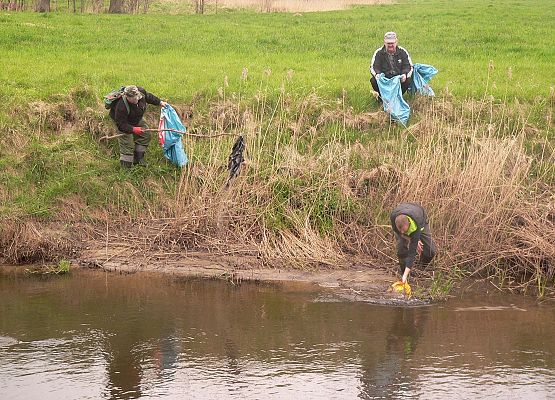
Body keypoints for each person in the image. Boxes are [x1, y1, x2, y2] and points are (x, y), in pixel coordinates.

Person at [110, 85, 168, 168]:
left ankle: (138, 159)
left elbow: (149, 97)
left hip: (136, 118)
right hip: (124, 122)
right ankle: (126, 168)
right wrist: (133, 129)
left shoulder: (141, 93)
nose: (137, 100)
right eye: (134, 99)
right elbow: (121, 125)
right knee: (127, 144)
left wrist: (160, 102)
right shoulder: (121, 106)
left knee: (146, 134)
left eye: (137, 97)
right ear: (127, 97)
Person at [390, 202, 436, 283]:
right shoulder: (394, 217)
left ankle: (420, 268)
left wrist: (415, 239)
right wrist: (409, 238)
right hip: (405, 211)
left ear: (409, 223)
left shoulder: (417, 221)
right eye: (401, 231)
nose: (403, 232)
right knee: (401, 249)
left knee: (430, 251)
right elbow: (400, 233)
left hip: (420, 222)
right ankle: (405, 273)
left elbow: (412, 253)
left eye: (405, 231)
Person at [370, 32, 413, 102]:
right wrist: (377, 75)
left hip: (398, 80)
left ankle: (398, 99)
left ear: (396, 42)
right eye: (388, 43)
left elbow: (409, 66)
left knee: (408, 80)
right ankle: (382, 100)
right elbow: (374, 67)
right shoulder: (378, 53)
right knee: (373, 80)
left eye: (392, 43)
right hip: (384, 80)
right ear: (384, 42)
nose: (390, 45)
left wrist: (404, 74)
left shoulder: (403, 52)